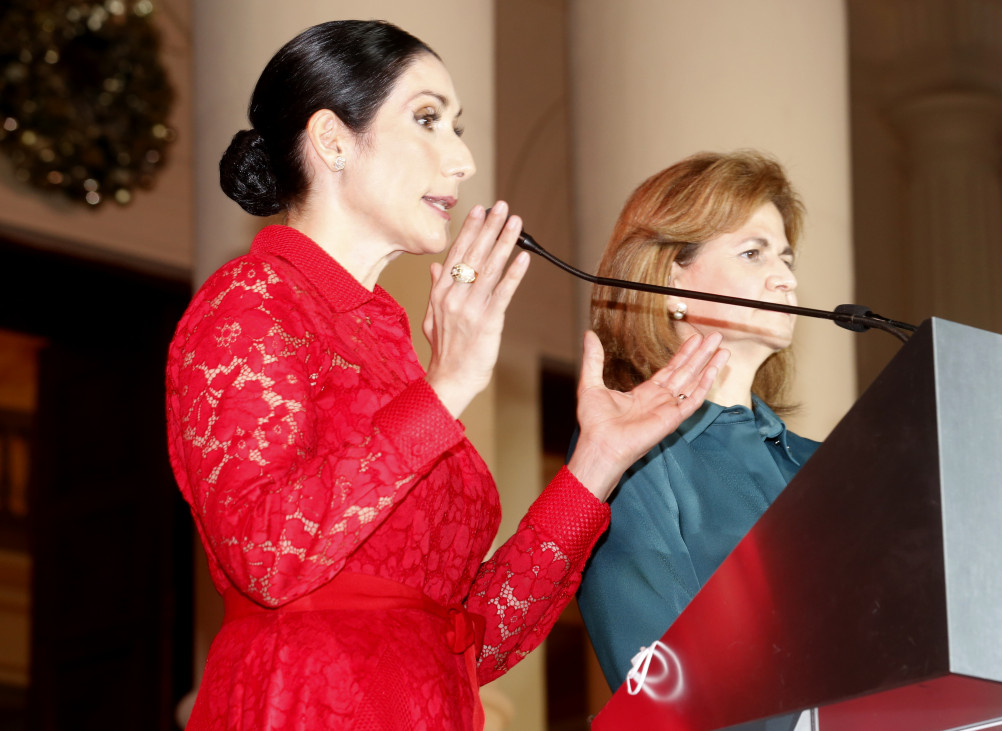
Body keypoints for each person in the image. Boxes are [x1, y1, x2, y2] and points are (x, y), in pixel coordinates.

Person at [165, 20, 725, 731]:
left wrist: (597, 462)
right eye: (427, 119)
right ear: (333, 139)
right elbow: (267, 556)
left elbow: (471, 640)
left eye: (456, 127)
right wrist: (446, 386)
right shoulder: (249, 300)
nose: (462, 160)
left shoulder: (389, 348)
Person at [577, 151, 820, 728]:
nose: (786, 278)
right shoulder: (631, 454)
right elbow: (659, 676)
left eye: (786, 256)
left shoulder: (823, 465)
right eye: (753, 253)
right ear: (670, 285)